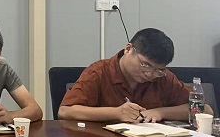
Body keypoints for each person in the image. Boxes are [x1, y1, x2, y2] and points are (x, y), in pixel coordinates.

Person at [59, 28, 211, 123]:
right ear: (128, 49)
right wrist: (116, 113)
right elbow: (65, 111)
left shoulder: (163, 77)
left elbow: (205, 110)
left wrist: (160, 112)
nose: (149, 74)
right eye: (145, 65)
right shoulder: (99, 72)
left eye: (158, 69)